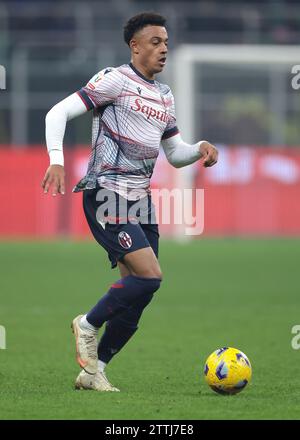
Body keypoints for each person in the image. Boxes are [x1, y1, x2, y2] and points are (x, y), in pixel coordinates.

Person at [42, 12, 218, 392]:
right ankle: (87, 323)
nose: (163, 49)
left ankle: (95, 371)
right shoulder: (114, 80)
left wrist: (198, 149)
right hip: (107, 191)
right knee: (150, 276)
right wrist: (57, 160)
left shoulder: (164, 95)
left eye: (166, 43)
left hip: (141, 199)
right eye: (155, 42)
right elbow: (58, 111)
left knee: (139, 295)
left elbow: (173, 152)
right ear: (135, 46)